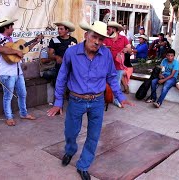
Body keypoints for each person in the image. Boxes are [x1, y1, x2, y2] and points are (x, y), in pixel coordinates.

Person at [46, 21, 135, 180]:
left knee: (94, 135)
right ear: (86, 35)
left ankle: (83, 165)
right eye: (94, 37)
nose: (97, 42)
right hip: (76, 100)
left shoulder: (106, 54)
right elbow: (62, 77)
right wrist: (58, 101)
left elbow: (112, 77)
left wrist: (120, 96)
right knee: (71, 132)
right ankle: (70, 150)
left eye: (101, 39)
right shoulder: (71, 53)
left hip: (97, 102)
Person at [0, 17, 41, 126]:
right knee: (8, 96)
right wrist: (16, 51)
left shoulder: (13, 39)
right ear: (6, 27)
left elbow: (23, 49)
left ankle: (24, 113)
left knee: (23, 94)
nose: (13, 29)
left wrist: (35, 42)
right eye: (11, 27)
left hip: (18, 72)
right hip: (7, 73)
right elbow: (1, 49)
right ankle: (9, 117)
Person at [103, 21, 132, 108]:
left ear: (114, 29)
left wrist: (126, 49)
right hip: (106, 66)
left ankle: (116, 100)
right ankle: (104, 99)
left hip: (118, 65)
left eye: (108, 29)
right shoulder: (105, 38)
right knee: (104, 83)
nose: (107, 31)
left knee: (117, 83)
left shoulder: (123, 38)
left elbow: (130, 50)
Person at [47, 21, 78, 86]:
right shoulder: (54, 40)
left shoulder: (73, 40)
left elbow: (76, 54)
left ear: (67, 30)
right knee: (59, 86)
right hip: (59, 68)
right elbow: (50, 54)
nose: (59, 31)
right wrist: (56, 57)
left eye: (61, 29)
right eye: (58, 29)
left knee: (71, 87)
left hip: (71, 68)